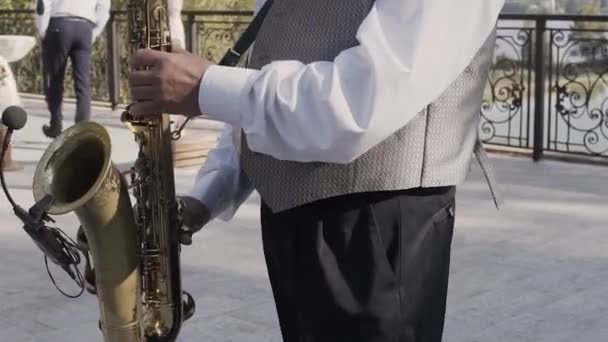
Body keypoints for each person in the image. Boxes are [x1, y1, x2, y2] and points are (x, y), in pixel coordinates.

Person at [127, 0, 506, 341]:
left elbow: (359, 105)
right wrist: (206, 195)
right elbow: (272, 63)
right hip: (293, 220)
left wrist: (204, 87)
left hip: (380, 223)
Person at [34, 0, 110, 138]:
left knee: (56, 79)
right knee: (83, 82)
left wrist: (42, 30)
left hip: (60, 25)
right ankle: (81, 129)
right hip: (84, 28)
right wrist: (94, 32)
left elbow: (43, 4)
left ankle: (55, 125)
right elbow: (104, 8)